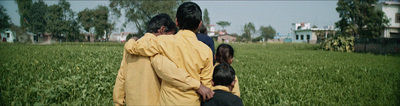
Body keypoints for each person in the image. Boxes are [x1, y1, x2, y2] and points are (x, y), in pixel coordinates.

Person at [124, 2, 215, 105]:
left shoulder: (163, 41)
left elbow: (134, 48)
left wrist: (131, 41)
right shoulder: (206, 51)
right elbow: (207, 86)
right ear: (199, 24)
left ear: (177, 22)